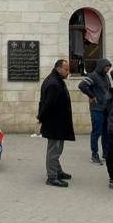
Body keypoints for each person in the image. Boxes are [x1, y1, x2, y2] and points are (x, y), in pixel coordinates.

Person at [38, 59, 74, 188]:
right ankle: (52, 177)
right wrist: (41, 118)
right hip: (55, 124)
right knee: (54, 150)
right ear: (58, 69)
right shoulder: (54, 83)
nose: (68, 72)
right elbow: (48, 105)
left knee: (56, 149)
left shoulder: (56, 80)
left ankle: (57, 171)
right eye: (66, 69)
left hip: (58, 123)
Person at [78, 58, 112, 165]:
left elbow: (107, 90)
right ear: (101, 66)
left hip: (106, 108)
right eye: (106, 67)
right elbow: (82, 85)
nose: (107, 69)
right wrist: (91, 95)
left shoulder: (106, 77)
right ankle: (94, 155)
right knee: (96, 132)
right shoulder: (92, 76)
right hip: (96, 109)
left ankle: (106, 154)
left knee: (106, 132)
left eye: (109, 68)